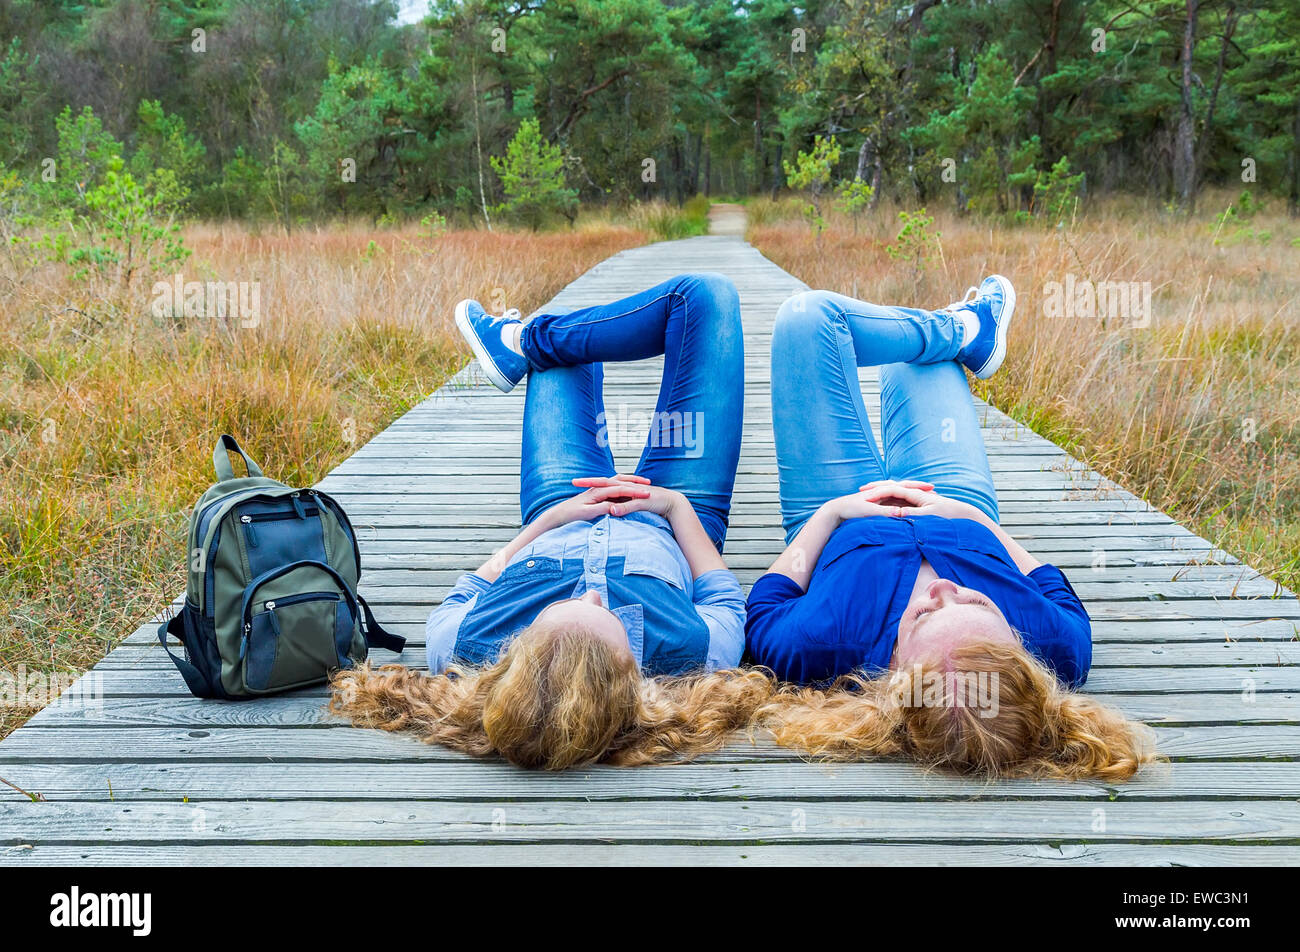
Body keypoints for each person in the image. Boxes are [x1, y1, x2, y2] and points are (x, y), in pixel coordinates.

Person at [331, 273, 773, 770]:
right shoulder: (691, 656)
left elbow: (474, 583)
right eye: (606, 614)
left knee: (569, 349)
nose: (590, 593)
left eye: (560, 605)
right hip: (672, 514)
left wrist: (548, 522)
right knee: (707, 299)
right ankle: (519, 340)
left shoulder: (464, 646)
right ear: (633, 679)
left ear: (518, 649)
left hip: (563, 500)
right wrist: (670, 505)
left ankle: (520, 342)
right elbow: (721, 594)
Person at [745, 277, 1156, 780]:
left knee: (805, 318)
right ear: (1024, 656)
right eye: (978, 602)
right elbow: (1041, 574)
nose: (945, 589)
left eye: (923, 615)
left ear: (895, 672)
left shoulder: (817, 646)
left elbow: (767, 600)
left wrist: (834, 512)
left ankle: (961, 327)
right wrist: (968, 516)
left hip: (836, 508)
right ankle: (960, 332)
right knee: (921, 361)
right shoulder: (1060, 646)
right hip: (954, 502)